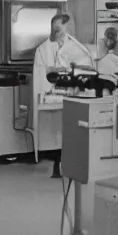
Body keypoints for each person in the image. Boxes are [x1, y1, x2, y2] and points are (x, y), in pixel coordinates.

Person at [34, 14, 93, 178]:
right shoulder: (43, 49)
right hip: (53, 95)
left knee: (71, 132)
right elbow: (40, 72)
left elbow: (86, 69)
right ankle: (56, 165)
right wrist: (51, 71)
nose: (57, 33)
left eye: (60, 30)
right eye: (55, 30)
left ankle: (72, 165)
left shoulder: (76, 49)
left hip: (73, 96)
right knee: (57, 133)